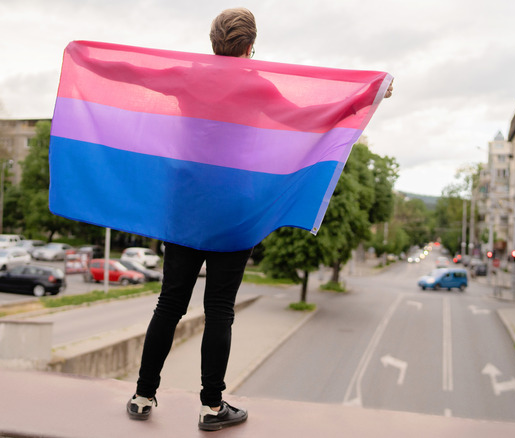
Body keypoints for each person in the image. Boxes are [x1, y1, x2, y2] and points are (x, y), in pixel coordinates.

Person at [126, 7, 393, 431]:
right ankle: (211, 408)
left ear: (213, 43)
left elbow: (131, 73)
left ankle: (143, 396)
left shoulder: (187, 76)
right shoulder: (258, 85)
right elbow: (309, 119)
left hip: (186, 206)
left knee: (170, 303)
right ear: (250, 47)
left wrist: (86, 58)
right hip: (235, 209)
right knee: (219, 310)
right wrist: (366, 96)